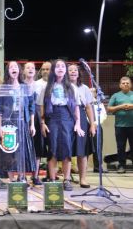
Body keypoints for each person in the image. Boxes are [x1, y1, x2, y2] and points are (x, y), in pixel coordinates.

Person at [39, 59, 84, 191]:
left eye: (62, 66)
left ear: (65, 70)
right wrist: (42, 123)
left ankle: (67, 180)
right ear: (53, 70)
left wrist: (78, 124)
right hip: (52, 117)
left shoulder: (72, 87)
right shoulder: (46, 86)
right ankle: (52, 180)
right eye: (57, 66)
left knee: (67, 149)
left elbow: (76, 107)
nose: (60, 68)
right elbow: (41, 106)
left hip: (67, 117)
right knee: (52, 148)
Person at [0, 61, 36, 183]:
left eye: (16, 67)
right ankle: (11, 179)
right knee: (9, 149)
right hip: (8, 122)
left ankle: (22, 176)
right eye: (11, 67)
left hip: (22, 120)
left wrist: (32, 124)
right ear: (8, 71)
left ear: (19, 70)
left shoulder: (25, 87)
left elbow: (31, 107)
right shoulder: (3, 88)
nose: (14, 68)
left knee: (22, 150)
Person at [68, 64, 96, 188]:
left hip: (82, 118)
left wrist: (92, 124)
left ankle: (83, 179)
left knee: (82, 151)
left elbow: (89, 107)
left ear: (79, 73)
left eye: (75, 70)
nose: (73, 72)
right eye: (70, 70)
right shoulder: (63, 87)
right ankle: (67, 179)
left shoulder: (84, 88)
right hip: (67, 117)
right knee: (67, 150)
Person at [107, 76, 133, 174]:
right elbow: (109, 108)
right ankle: (122, 166)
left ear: (130, 85)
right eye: (123, 83)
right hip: (120, 126)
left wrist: (131, 106)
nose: (125, 84)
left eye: (127, 83)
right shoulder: (116, 96)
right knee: (120, 147)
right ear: (120, 85)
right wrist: (121, 106)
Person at [23, 62, 42, 185]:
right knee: (24, 147)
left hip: (37, 117)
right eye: (28, 68)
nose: (30, 69)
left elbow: (42, 104)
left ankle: (35, 176)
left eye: (33, 68)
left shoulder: (40, 85)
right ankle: (23, 176)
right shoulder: (20, 85)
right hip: (23, 118)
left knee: (37, 147)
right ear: (23, 71)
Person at [33, 62, 51, 182]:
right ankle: (35, 175)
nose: (45, 71)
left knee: (52, 147)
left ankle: (50, 175)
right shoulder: (36, 84)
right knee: (39, 148)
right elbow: (38, 105)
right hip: (39, 119)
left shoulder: (57, 84)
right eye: (43, 69)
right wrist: (41, 121)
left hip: (54, 118)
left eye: (48, 69)